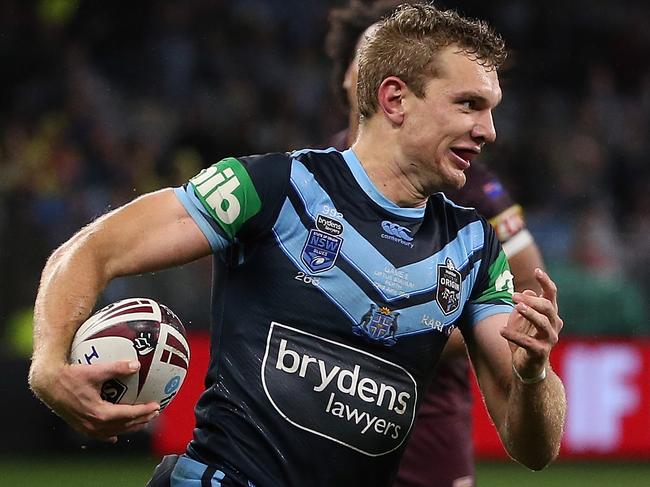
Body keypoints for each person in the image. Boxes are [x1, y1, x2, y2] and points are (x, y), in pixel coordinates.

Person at [29, 4, 566, 486]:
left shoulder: (475, 247)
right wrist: (49, 365)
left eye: (491, 108)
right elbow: (94, 248)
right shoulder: (274, 188)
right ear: (396, 99)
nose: (489, 130)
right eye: (469, 104)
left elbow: (535, 450)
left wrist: (533, 373)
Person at [324, 2, 547, 486]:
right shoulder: (313, 175)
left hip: (428, 427)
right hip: (324, 419)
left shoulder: (471, 184)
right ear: (350, 76)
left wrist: (407, 325)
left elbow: (529, 287)